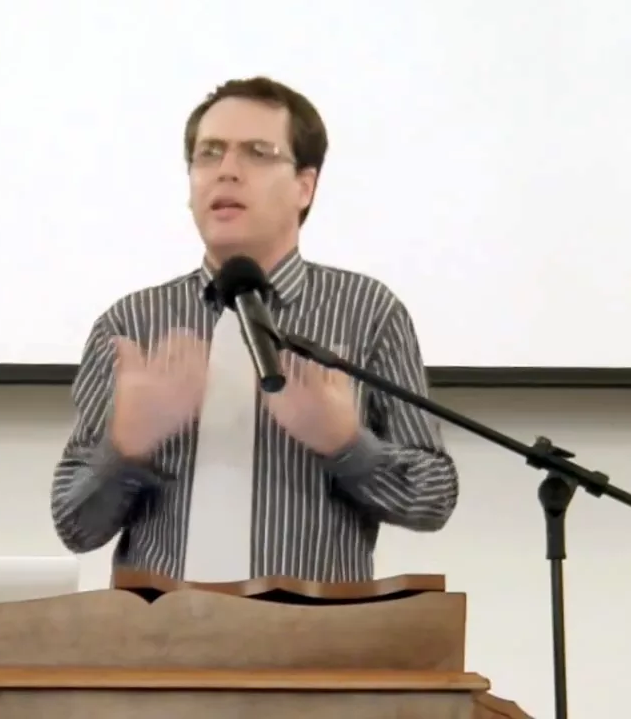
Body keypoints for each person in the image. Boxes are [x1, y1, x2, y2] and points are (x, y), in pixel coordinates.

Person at [50, 76, 459, 583]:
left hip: (313, 628)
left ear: (305, 186)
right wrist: (125, 446)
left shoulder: (368, 311)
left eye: (258, 153)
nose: (226, 170)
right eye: (208, 154)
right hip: (161, 627)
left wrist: (346, 444)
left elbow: (434, 497)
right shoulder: (131, 324)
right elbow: (75, 526)